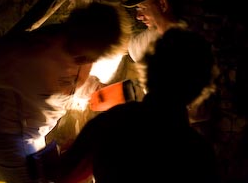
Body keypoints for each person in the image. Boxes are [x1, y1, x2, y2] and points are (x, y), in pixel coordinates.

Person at [0, 1, 131, 183]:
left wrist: (123, 96)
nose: (90, 61)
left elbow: (77, 84)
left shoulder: (83, 53)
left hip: (34, 132)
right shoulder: (30, 54)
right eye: (93, 54)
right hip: (4, 133)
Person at [53, 26, 219, 183]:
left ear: (149, 70)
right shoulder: (201, 155)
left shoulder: (112, 122)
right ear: (199, 91)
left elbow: (65, 174)